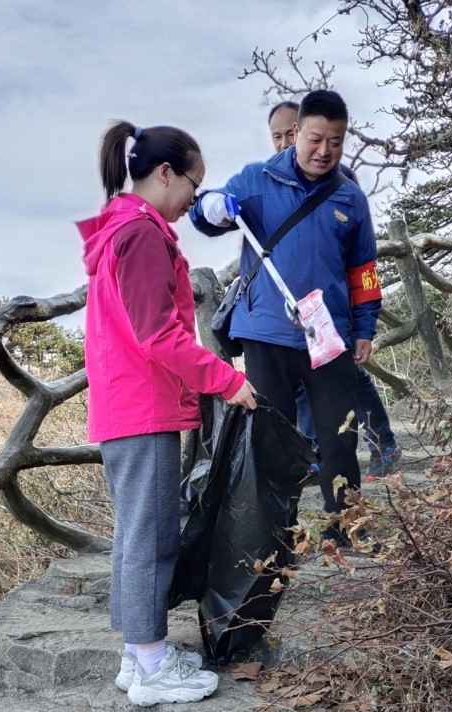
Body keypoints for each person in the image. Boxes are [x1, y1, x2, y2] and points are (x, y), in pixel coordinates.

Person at [79, 121, 257, 707]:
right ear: (164, 174)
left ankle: (139, 655)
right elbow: (160, 336)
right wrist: (228, 379)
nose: (193, 200)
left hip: (122, 400)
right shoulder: (143, 236)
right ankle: (152, 666)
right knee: (150, 535)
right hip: (142, 404)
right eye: (192, 184)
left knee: (138, 533)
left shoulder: (119, 230)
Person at [191, 89, 381, 543]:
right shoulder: (256, 180)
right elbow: (203, 213)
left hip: (328, 337)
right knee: (272, 441)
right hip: (266, 333)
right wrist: (212, 207)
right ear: (296, 132)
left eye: (336, 142)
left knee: (340, 438)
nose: (324, 151)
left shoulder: (350, 198)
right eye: (316, 139)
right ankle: (273, 537)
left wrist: (365, 328)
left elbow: (365, 272)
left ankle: (345, 531)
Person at [266, 101, 402, 479]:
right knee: (303, 387)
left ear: (299, 131)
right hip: (293, 318)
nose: (281, 144)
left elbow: (360, 262)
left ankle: (383, 444)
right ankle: (316, 455)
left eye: (287, 134)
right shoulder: (272, 183)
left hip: (333, 312)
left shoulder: (343, 184)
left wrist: (363, 325)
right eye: (275, 137)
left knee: (351, 379)